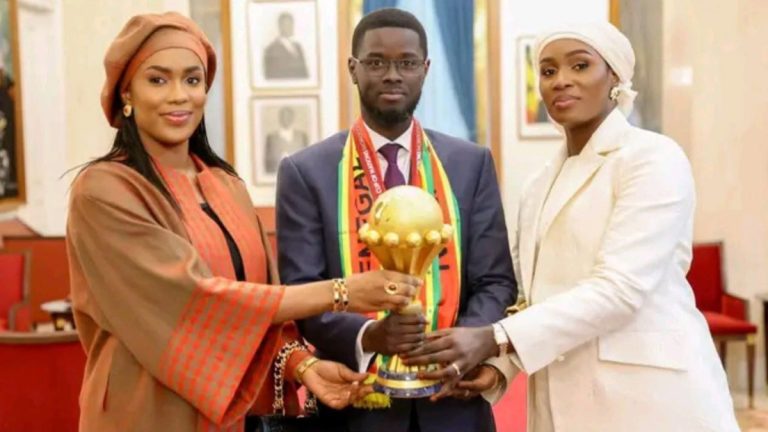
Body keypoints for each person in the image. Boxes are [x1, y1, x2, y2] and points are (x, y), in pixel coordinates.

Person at [66, 12, 420, 432]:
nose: (179, 96)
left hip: (239, 418)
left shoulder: (225, 184)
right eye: (157, 80)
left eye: (192, 80)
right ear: (126, 92)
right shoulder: (103, 190)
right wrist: (342, 292)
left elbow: (260, 301)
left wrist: (303, 366)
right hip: (147, 413)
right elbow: (197, 301)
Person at [402, 21, 739, 432]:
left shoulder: (653, 158)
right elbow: (530, 297)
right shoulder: (539, 183)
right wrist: (500, 368)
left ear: (614, 76)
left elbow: (620, 289)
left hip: (649, 399)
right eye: (548, 71)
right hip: (559, 399)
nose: (561, 80)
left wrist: (495, 336)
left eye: (580, 66)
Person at [275, 8, 516, 432]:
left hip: (454, 402)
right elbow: (303, 292)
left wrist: (465, 342)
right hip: (355, 407)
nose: (392, 75)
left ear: (425, 69)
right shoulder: (306, 172)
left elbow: (495, 280)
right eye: (376, 62)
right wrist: (370, 336)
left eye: (406, 62)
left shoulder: (470, 164)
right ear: (353, 68)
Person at [263, 12, 308, 80]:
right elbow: (271, 77)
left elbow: (305, 74)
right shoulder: (271, 49)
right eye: (287, 24)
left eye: (291, 24)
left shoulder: (298, 47)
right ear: (280, 27)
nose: (290, 27)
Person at [265, 106, 308, 174]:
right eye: (284, 116)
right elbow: (268, 163)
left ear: (292, 118)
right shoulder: (271, 138)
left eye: (288, 116)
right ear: (280, 118)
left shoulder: (302, 136)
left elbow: (306, 160)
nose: (286, 119)